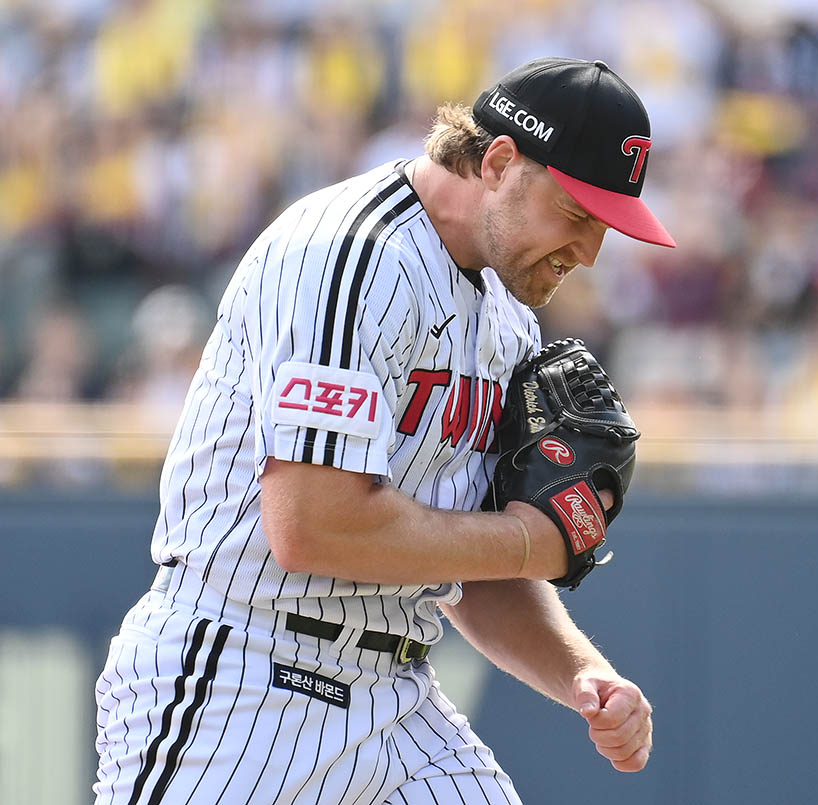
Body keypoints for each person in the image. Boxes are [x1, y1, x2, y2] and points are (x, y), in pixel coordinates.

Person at [93, 57, 675, 804]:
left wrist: (582, 671)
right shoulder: (349, 255)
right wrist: (531, 538)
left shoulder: (506, 317)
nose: (590, 253)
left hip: (395, 690)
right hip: (243, 675)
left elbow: (467, 564)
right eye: (577, 214)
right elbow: (313, 525)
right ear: (499, 161)